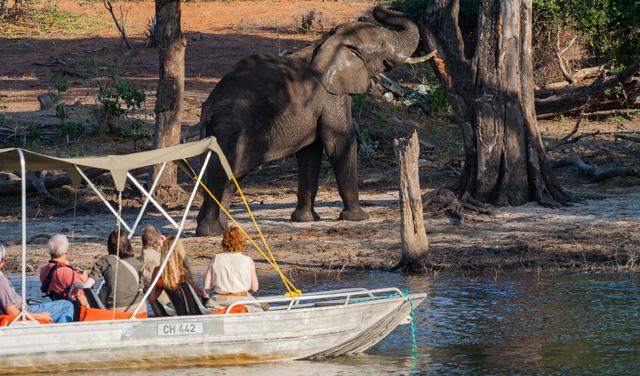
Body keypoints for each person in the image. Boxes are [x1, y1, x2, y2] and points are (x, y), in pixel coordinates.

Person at [0, 243, 74, 323]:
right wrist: (40, 316)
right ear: (1, 262)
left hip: (24, 308)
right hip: (25, 311)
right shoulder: (2, 282)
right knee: (66, 305)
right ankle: (61, 333)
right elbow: (13, 312)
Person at [75, 230, 145, 312]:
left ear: (109, 245)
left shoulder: (104, 261)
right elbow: (140, 289)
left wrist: (76, 285)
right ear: (127, 244)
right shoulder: (137, 262)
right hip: (140, 308)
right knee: (105, 287)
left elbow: (87, 285)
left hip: (116, 310)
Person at [203, 226, 262, 312]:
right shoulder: (247, 260)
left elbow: (207, 286)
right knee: (260, 308)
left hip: (219, 303)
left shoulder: (216, 258)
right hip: (243, 301)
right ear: (242, 242)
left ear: (224, 242)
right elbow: (255, 288)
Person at [148, 237, 208, 305]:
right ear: (180, 251)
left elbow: (151, 298)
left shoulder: (159, 272)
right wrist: (207, 296)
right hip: (188, 311)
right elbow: (199, 293)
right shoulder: (182, 272)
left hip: (175, 310)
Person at [39, 234, 89, 307]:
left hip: (56, 307)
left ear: (50, 252)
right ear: (66, 252)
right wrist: (85, 281)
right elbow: (82, 300)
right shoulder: (67, 272)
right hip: (71, 310)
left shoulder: (43, 271)